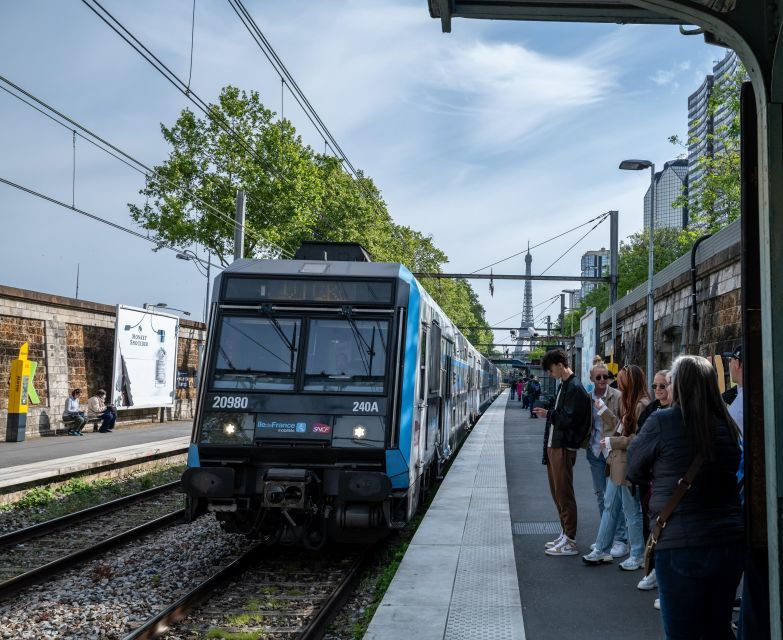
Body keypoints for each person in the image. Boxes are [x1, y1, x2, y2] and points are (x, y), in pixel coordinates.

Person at [627, 355, 743, 640]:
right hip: (728, 541)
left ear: (678, 385)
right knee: (718, 628)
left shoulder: (663, 421)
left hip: (679, 541)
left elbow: (633, 467)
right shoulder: (728, 425)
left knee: (682, 631)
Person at [582, 365, 649, 570]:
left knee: (630, 511)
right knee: (612, 507)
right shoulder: (631, 402)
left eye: (622, 379)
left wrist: (612, 442)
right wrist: (603, 411)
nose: (618, 383)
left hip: (627, 463)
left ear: (631, 381)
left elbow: (637, 439)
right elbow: (622, 427)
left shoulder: (640, 405)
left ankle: (637, 554)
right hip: (618, 462)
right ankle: (602, 549)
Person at [534, 349, 591, 556]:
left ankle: (570, 539)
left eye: (550, 370)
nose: (550, 374)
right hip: (555, 445)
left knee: (564, 493)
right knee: (557, 492)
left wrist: (548, 413)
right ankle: (565, 533)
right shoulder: (567, 386)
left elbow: (569, 419)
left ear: (560, 364)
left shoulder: (574, 387)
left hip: (563, 447)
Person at [583, 362, 628, 559]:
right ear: (592, 379)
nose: (602, 381)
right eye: (598, 377)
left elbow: (621, 426)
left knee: (614, 498)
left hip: (613, 454)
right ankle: (606, 537)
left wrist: (603, 411)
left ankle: (620, 539)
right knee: (602, 496)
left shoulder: (617, 396)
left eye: (606, 377)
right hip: (594, 453)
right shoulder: (587, 398)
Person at [635, 369, 672, 593]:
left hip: (666, 480)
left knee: (664, 528)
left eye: (663, 386)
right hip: (649, 478)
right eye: (655, 386)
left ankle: (661, 577)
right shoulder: (651, 409)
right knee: (648, 524)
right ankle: (652, 569)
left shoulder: (677, 412)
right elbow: (640, 440)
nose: (658, 390)